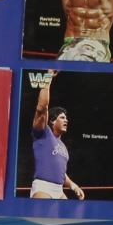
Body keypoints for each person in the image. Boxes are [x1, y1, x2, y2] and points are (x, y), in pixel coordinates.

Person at [28, 72, 83, 200]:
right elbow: (42, 107)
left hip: (59, 190)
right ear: (52, 121)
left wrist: (73, 186)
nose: (66, 120)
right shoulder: (43, 133)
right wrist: (48, 77)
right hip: (43, 187)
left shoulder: (63, 146)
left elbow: (61, 173)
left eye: (66, 118)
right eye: (62, 117)